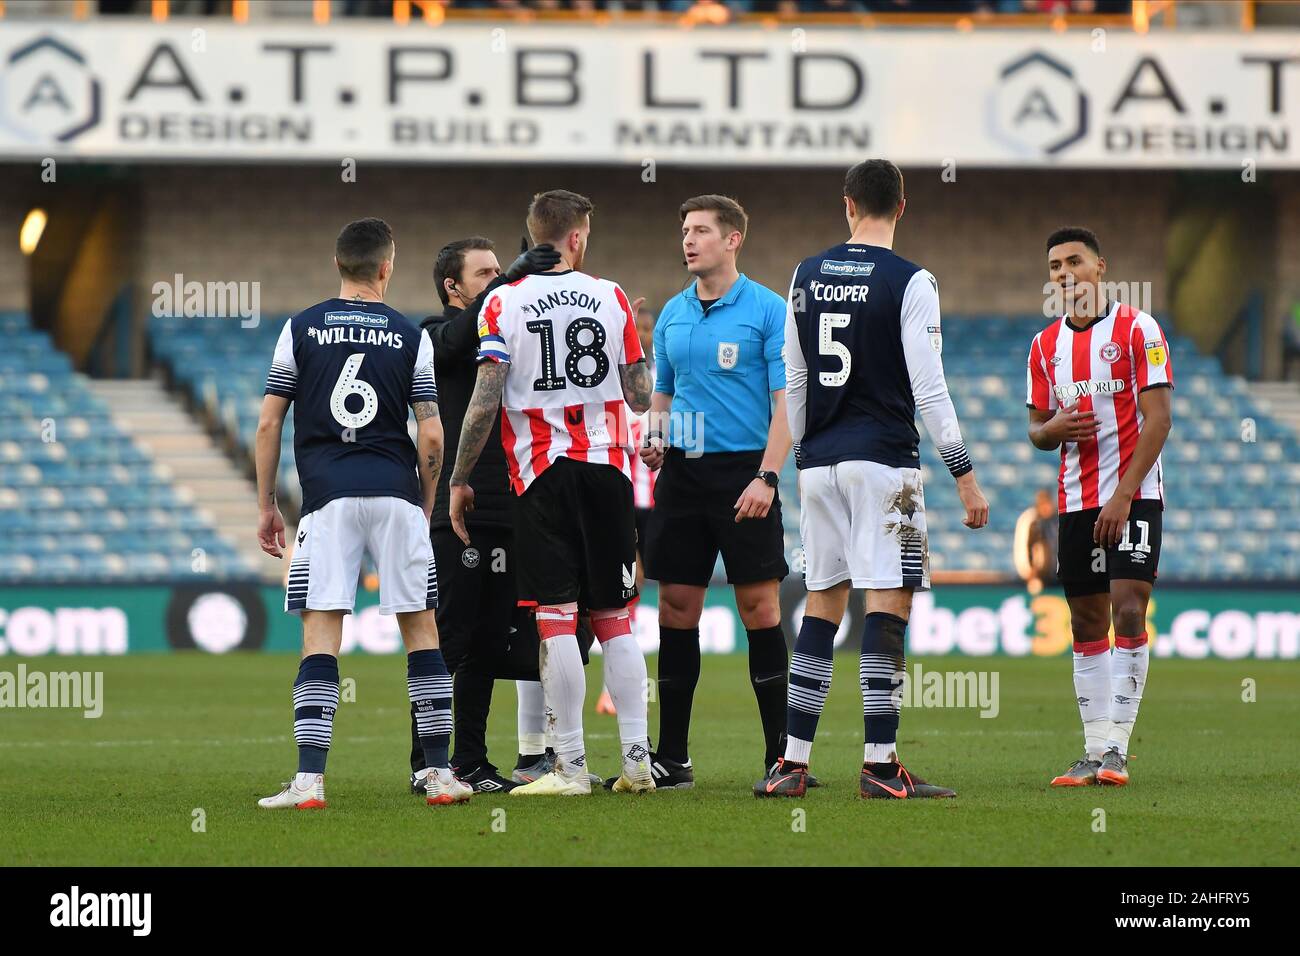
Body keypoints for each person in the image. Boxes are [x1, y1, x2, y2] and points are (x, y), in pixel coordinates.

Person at [755, 159, 989, 799]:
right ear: (903, 207)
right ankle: (881, 767)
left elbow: (796, 381)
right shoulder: (913, 282)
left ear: (848, 205)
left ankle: (791, 764)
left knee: (824, 602)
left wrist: (803, 457)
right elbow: (929, 386)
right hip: (885, 463)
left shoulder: (806, 274)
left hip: (820, 462)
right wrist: (963, 473)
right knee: (890, 602)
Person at [254, 217, 471, 808]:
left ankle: (309, 783)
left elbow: (270, 420)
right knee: (422, 631)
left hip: (327, 498)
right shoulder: (410, 334)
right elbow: (431, 431)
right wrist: (424, 497)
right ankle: (439, 775)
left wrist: (268, 505)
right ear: (387, 267)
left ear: (337, 266)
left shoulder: (299, 329)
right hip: (395, 492)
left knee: (321, 635)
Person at [448, 189, 656, 796]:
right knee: (616, 618)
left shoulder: (503, 302)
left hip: (541, 472)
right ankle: (637, 761)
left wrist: (461, 477)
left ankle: (568, 766)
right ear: (578, 237)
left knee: (557, 620)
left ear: (533, 234)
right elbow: (639, 398)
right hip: (610, 471)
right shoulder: (612, 296)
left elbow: (486, 401)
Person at [636, 195, 793, 790]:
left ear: (733, 240)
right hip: (682, 475)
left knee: (760, 609)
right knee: (676, 609)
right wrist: (655, 438)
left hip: (744, 476)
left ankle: (782, 756)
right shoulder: (674, 314)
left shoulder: (768, 310)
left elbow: (786, 405)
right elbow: (663, 397)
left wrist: (768, 476)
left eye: (701, 230)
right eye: (684, 230)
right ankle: (672, 758)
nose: (688, 239)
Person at [405, 236, 561, 794]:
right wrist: (512, 276)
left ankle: (469, 760)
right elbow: (451, 342)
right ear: (453, 286)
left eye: (500, 269)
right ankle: (428, 762)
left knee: (490, 643)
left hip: (510, 502)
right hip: (457, 507)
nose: (498, 278)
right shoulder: (430, 335)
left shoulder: (505, 328)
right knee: (450, 639)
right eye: (485, 272)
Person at [1027, 226, 1172, 788]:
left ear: (1100, 267)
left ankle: (1117, 748)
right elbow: (1036, 431)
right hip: (1076, 501)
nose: (1065, 274)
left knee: (1128, 608)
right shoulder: (1044, 347)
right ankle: (1090, 751)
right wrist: (1051, 428)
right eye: (1056, 266)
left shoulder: (1140, 329)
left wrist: (1123, 494)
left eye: (1074, 262)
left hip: (1133, 495)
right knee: (1087, 619)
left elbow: (1158, 420)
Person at [1014, 488, 1059, 594]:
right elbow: (1022, 547)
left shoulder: (1056, 519)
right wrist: (1027, 573)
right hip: (1035, 577)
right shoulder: (1030, 519)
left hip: (1056, 575)